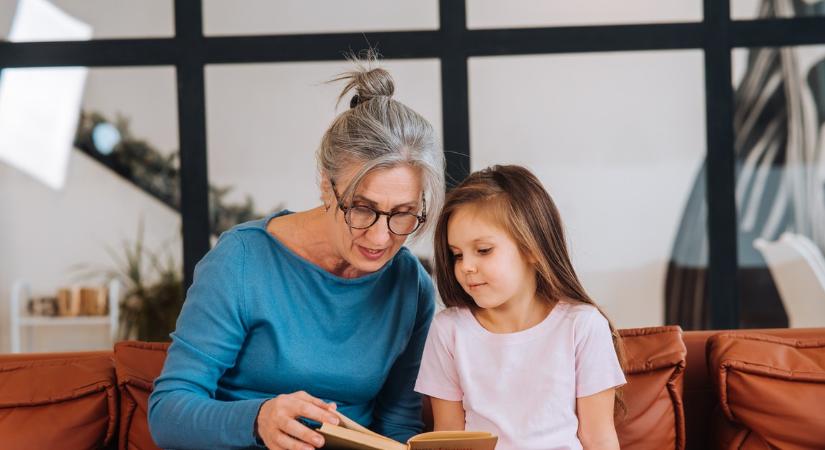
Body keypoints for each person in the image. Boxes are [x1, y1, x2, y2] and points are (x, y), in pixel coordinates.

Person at [148, 54, 445, 450]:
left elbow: (397, 423)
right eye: (362, 209)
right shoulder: (241, 260)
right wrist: (257, 419)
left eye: (403, 214)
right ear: (326, 184)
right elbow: (167, 413)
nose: (379, 237)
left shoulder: (410, 286)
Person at [415, 165, 627, 450]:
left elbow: (599, 439)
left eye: (483, 250)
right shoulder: (449, 330)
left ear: (531, 248)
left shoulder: (583, 325)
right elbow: (449, 437)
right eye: (457, 255)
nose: (466, 267)